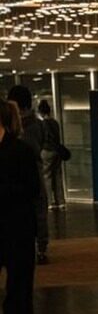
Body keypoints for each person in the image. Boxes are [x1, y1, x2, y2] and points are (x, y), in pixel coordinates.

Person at [0, 101, 40, 314]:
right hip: (12, 222)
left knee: (18, 279)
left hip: (17, 225)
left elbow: (32, 189)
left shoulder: (21, 150)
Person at [8, 86, 50, 265]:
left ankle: (22, 246)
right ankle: (41, 248)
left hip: (16, 173)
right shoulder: (38, 124)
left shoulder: (12, 126)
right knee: (39, 209)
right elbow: (41, 144)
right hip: (35, 170)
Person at [38, 100, 66, 210]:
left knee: (47, 176)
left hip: (47, 150)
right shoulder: (55, 122)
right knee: (58, 176)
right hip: (57, 151)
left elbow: (42, 138)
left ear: (41, 112)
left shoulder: (42, 124)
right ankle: (61, 202)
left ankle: (49, 202)